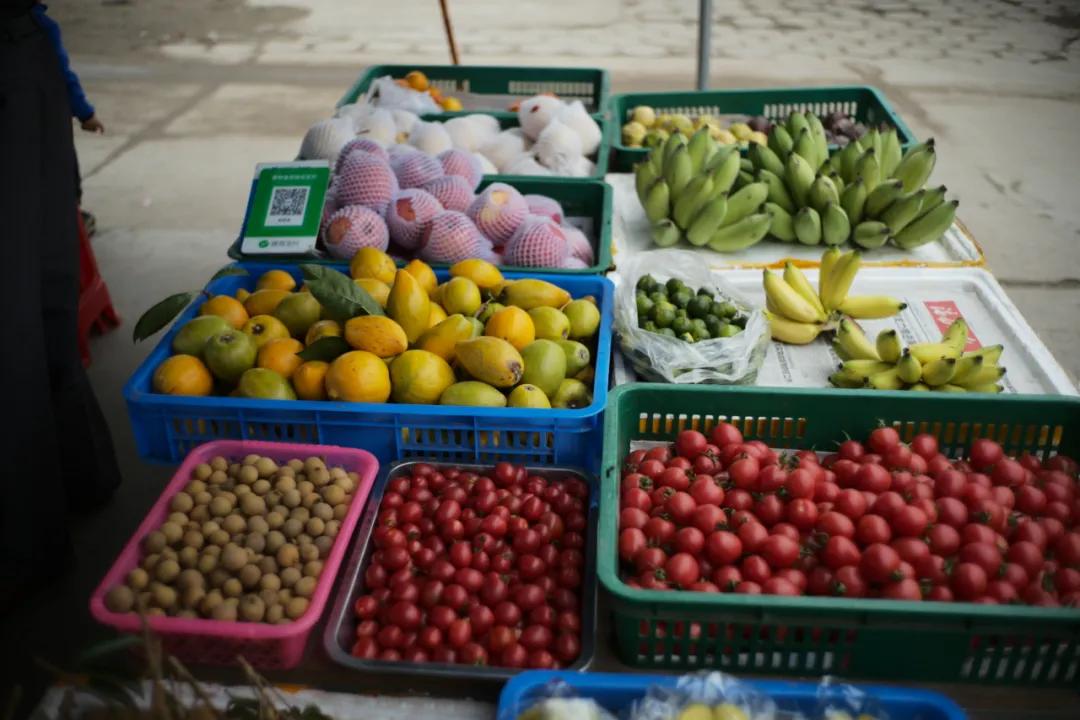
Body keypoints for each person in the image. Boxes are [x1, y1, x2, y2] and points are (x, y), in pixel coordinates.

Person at [0, 1, 121, 601]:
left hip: (18, 67)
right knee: (39, 288)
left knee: (18, 307)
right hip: (24, 62)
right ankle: (78, 476)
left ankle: (25, 541)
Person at [33, 2, 104, 233]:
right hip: (42, 119)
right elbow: (63, 76)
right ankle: (69, 218)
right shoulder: (40, 27)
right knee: (58, 169)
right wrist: (86, 114)